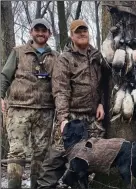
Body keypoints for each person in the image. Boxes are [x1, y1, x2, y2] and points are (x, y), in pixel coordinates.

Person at [37, 19, 107, 188]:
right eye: (78, 32)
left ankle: (77, 183)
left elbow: (105, 84)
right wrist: (63, 119)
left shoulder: (97, 56)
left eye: (85, 31)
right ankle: (45, 186)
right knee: (57, 156)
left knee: (92, 156)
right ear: (72, 36)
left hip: (92, 118)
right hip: (72, 116)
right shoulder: (64, 59)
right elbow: (60, 90)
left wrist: (101, 104)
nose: (82, 34)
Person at [0, 18, 58, 189]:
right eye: (37, 30)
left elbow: (61, 84)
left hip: (45, 111)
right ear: (31, 31)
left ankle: (36, 186)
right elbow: (4, 76)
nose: (40, 33)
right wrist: (1, 96)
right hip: (19, 109)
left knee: (41, 154)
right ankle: (14, 185)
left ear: (49, 33)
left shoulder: (56, 57)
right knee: (17, 152)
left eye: (44, 30)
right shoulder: (18, 52)